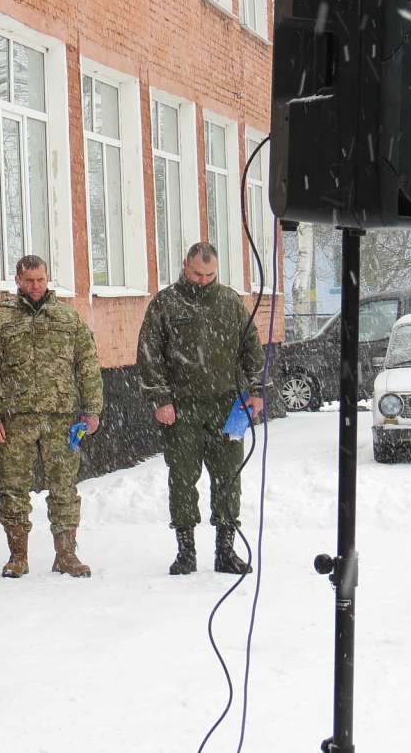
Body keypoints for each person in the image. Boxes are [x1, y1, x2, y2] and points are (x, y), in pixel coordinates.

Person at [136, 242, 265, 575]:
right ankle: (186, 551)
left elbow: (252, 347)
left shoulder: (230, 302)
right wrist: (161, 399)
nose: (204, 280)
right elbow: (149, 355)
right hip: (182, 407)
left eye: (210, 275)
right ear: (184, 266)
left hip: (227, 405)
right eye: (197, 274)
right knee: (182, 479)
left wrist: (259, 390)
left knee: (228, 479)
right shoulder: (165, 303)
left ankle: (225, 551)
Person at [0, 255, 104, 579]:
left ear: (48, 279)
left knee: (64, 488)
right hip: (15, 420)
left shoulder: (67, 318)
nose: (35, 286)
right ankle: (18, 555)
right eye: (29, 280)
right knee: (13, 489)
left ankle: (67, 554)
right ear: (17, 280)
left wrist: (92, 410)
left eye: (40, 279)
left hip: (60, 419)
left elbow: (88, 366)